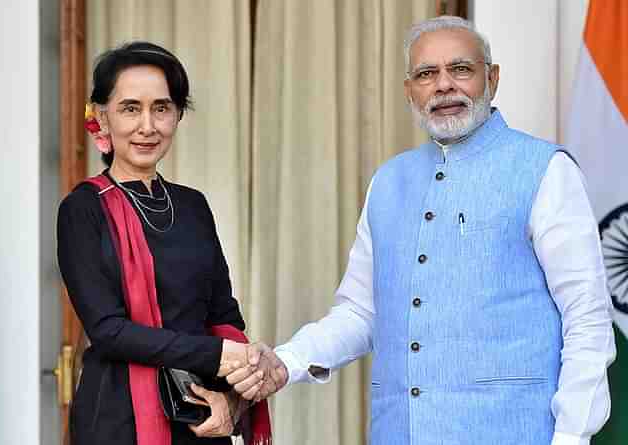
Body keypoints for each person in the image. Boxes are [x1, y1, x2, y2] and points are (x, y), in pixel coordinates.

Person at [226, 16, 617, 445]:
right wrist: (287, 361)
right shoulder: (389, 182)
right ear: (410, 90)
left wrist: (572, 437)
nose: (444, 85)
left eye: (461, 69)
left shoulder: (546, 170)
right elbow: (362, 312)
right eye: (427, 74)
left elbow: (587, 319)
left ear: (493, 78)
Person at [57, 41, 268, 445]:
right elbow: (108, 330)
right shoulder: (83, 208)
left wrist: (228, 397)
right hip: (119, 419)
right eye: (130, 108)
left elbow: (224, 316)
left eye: (162, 108)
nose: (147, 126)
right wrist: (217, 356)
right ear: (101, 117)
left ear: (177, 115)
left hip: (199, 412)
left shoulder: (192, 205)